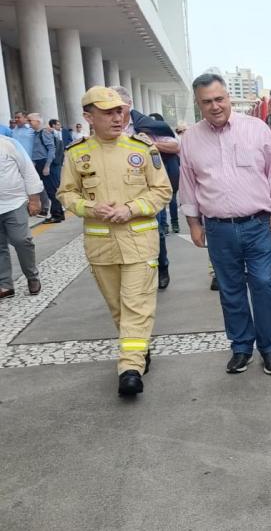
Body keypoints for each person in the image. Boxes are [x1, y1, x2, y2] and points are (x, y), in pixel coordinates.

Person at [57, 86, 172, 396]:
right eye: (108, 112)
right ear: (88, 117)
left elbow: (162, 191)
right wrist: (90, 208)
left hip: (139, 241)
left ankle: (130, 368)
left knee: (136, 305)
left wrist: (131, 209)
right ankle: (138, 347)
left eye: (120, 110)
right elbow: (66, 194)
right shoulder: (76, 153)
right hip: (100, 245)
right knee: (118, 308)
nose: (117, 117)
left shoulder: (143, 148)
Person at [179, 73, 271, 375]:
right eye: (207, 102)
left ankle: (269, 348)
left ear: (228, 97)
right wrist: (193, 223)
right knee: (230, 290)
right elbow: (188, 185)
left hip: (257, 225)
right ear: (198, 104)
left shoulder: (256, 129)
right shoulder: (190, 139)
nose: (215, 106)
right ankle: (241, 347)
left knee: (264, 285)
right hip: (218, 229)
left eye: (220, 99)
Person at [111, 86, 179, 289]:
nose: (114, 114)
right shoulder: (104, 128)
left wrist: (149, 145)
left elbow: (175, 146)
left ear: (129, 105)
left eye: (118, 108)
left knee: (154, 231)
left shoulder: (147, 125)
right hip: (117, 191)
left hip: (147, 190)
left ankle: (162, 267)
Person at [0, 135, 43, 299]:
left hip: (14, 202)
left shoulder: (9, 144)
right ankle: (5, 284)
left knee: (21, 240)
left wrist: (34, 199)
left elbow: (28, 170)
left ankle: (32, 277)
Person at [149, 112, 181, 235]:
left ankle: (175, 222)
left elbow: (177, 147)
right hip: (156, 167)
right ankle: (163, 225)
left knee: (172, 198)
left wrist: (155, 145)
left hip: (171, 167)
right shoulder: (147, 135)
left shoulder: (169, 134)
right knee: (159, 197)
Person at [28, 114, 61, 221]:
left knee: (52, 190)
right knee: (48, 190)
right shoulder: (36, 134)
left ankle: (57, 215)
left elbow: (51, 149)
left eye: (30, 120)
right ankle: (57, 213)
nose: (28, 123)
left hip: (45, 163)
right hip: (39, 163)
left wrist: (47, 166)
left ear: (37, 121)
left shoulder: (45, 132)